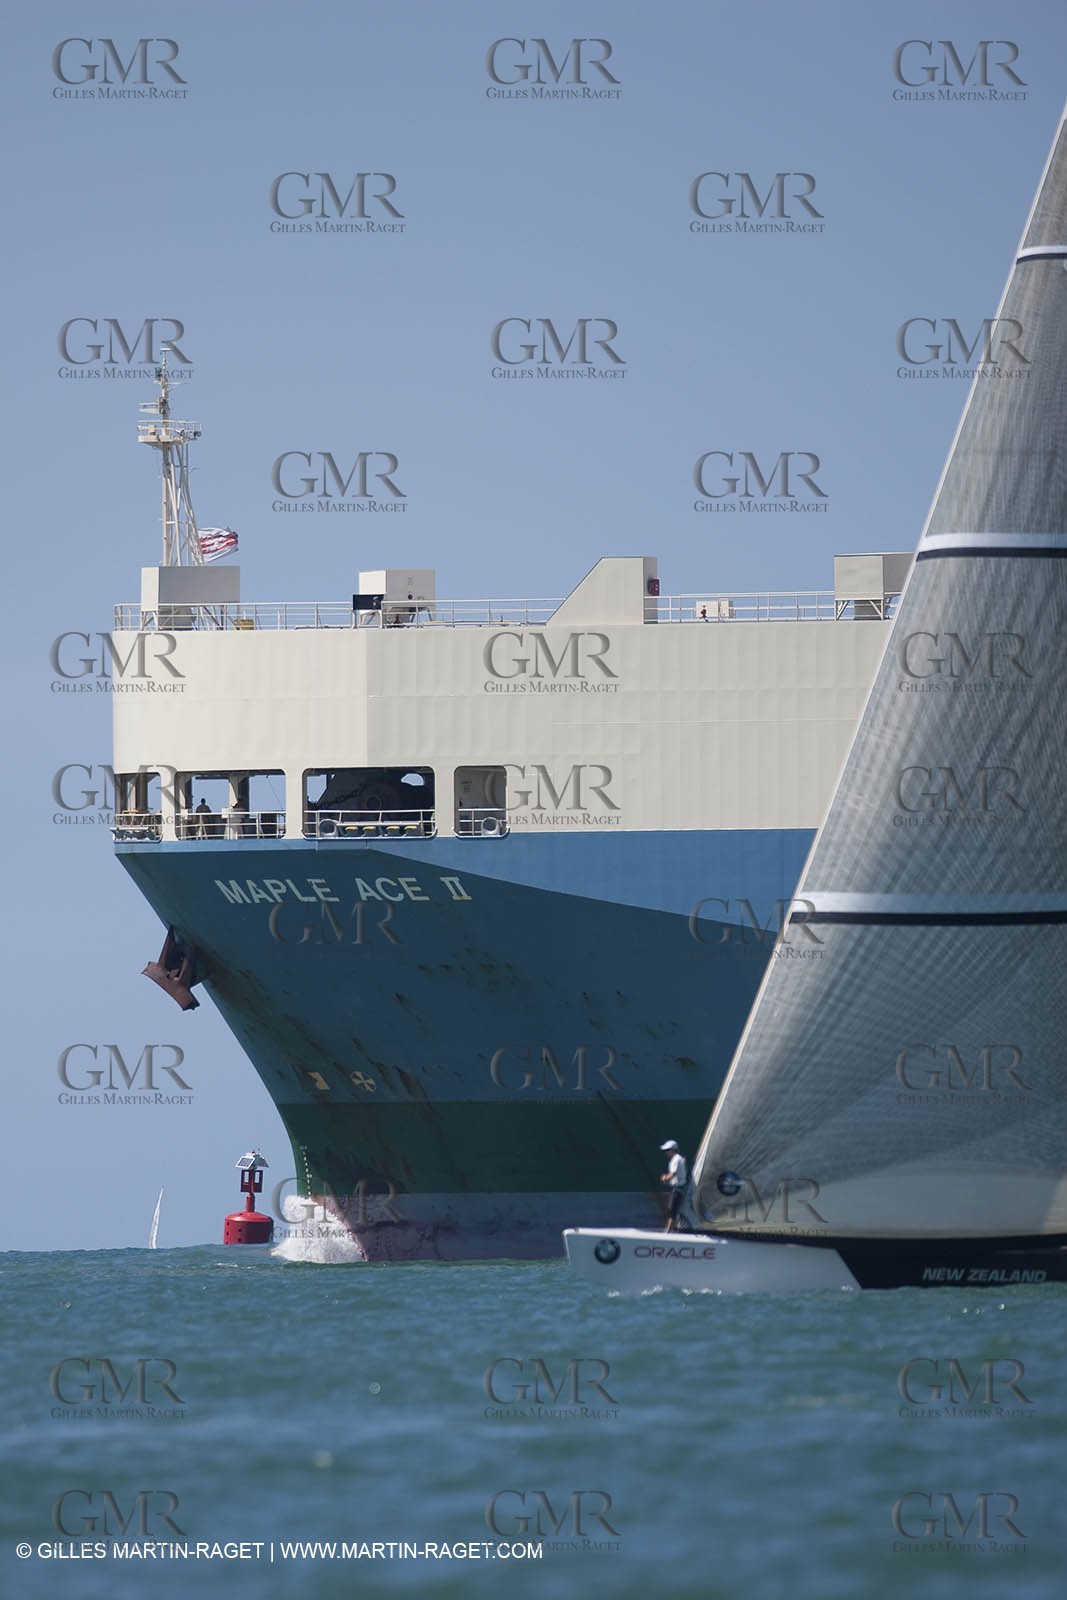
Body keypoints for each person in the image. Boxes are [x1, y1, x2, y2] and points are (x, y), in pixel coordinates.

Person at [659, 1139, 688, 1232]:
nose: (666, 1152)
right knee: (672, 1210)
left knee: (672, 1211)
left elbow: (672, 1174)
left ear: (673, 1150)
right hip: (677, 1189)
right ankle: (673, 1230)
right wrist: (667, 1179)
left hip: (678, 1190)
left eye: (667, 1150)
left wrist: (665, 1177)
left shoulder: (676, 1159)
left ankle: (667, 1232)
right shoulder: (677, 1159)